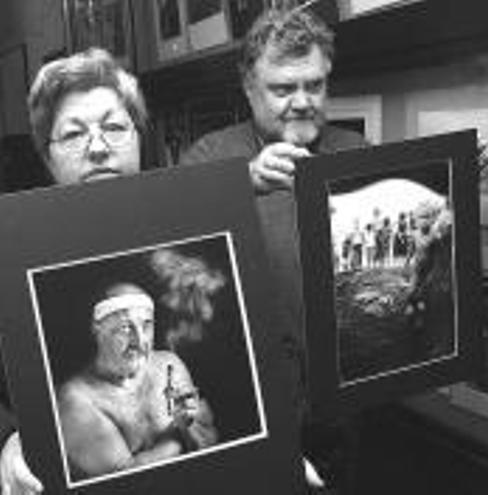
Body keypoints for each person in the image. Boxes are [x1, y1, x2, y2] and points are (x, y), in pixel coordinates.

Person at [0, 47, 148, 495]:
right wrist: (5, 444)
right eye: (73, 135)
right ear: (48, 159)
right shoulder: (3, 261)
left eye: (114, 127)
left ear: (139, 137)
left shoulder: (198, 225)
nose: (97, 148)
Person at [178, 7, 368, 492]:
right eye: (283, 89)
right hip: (253, 409)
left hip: (348, 407)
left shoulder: (357, 152)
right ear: (248, 88)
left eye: (315, 85)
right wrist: (241, 185)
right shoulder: (207, 157)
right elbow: (177, 257)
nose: (303, 102)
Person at [58, 283, 217, 481]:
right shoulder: (76, 401)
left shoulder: (168, 364)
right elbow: (128, 482)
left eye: (146, 325)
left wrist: (196, 422)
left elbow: (208, 441)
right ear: (97, 329)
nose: (140, 340)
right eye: (126, 328)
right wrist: (181, 437)